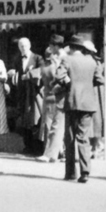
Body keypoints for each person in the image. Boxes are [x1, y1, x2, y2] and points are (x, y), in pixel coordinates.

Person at [56, 34, 104, 183]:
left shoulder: (67, 59)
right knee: (83, 137)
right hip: (88, 103)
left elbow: (58, 75)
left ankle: (70, 173)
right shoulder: (92, 61)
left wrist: (67, 82)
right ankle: (85, 172)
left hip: (72, 101)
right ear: (82, 48)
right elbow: (99, 80)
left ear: (70, 47)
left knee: (69, 138)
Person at [9, 37, 44, 155]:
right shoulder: (17, 59)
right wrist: (12, 72)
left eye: (25, 46)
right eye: (21, 46)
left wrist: (30, 74)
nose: (23, 48)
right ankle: (27, 146)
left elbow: (43, 70)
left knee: (35, 119)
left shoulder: (38, 58)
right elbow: (14, 71)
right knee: (25, 120)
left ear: (29, 46)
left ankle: (37, 147)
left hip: (34, 94)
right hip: (23, 94)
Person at [37, 35, 66, 163]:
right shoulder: (57, 58)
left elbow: (60, 76)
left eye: (50, 46)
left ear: (55, 46)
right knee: (58, 125)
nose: (49, 49)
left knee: (55, 125)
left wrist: (55, 86)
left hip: (59, 95)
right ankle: (60, 152)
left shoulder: (62, 58)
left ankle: (50, 154)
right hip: (57, 94)